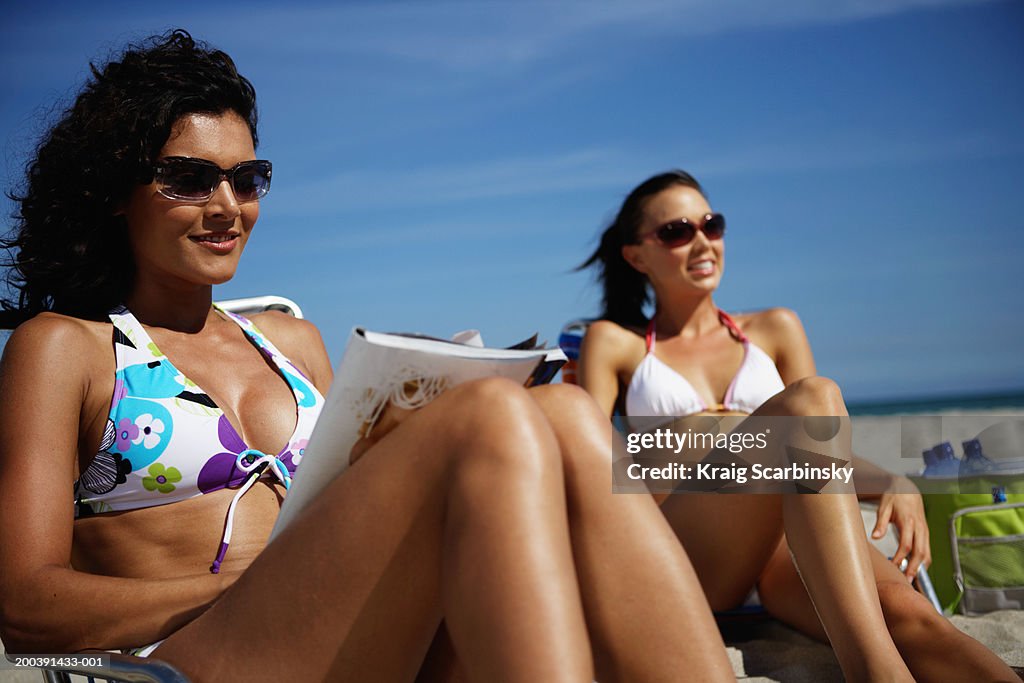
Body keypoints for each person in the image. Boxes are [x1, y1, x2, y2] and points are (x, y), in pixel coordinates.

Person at [0, 35, 737, 682]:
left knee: (584, 409)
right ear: (114, 194)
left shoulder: (289, 340)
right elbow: (25, 608)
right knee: (494, 412)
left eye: (247, 178)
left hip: (367, 629)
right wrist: (242, 585)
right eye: (191, 178)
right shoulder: (68, 347)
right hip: (196, 651)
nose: (227, 203)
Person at [577, 169, 1018, 682]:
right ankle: (875, 673)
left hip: (789, 539)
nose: (702, 241)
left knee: (910, 615)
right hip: (690, 545)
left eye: (711, 225)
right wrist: (706, 433)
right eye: (677, 232)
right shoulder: (614, 342)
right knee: (809, 398)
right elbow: (601, 471)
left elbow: (818, 439)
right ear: (636, 255)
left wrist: (888, 480)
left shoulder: (775, 327)